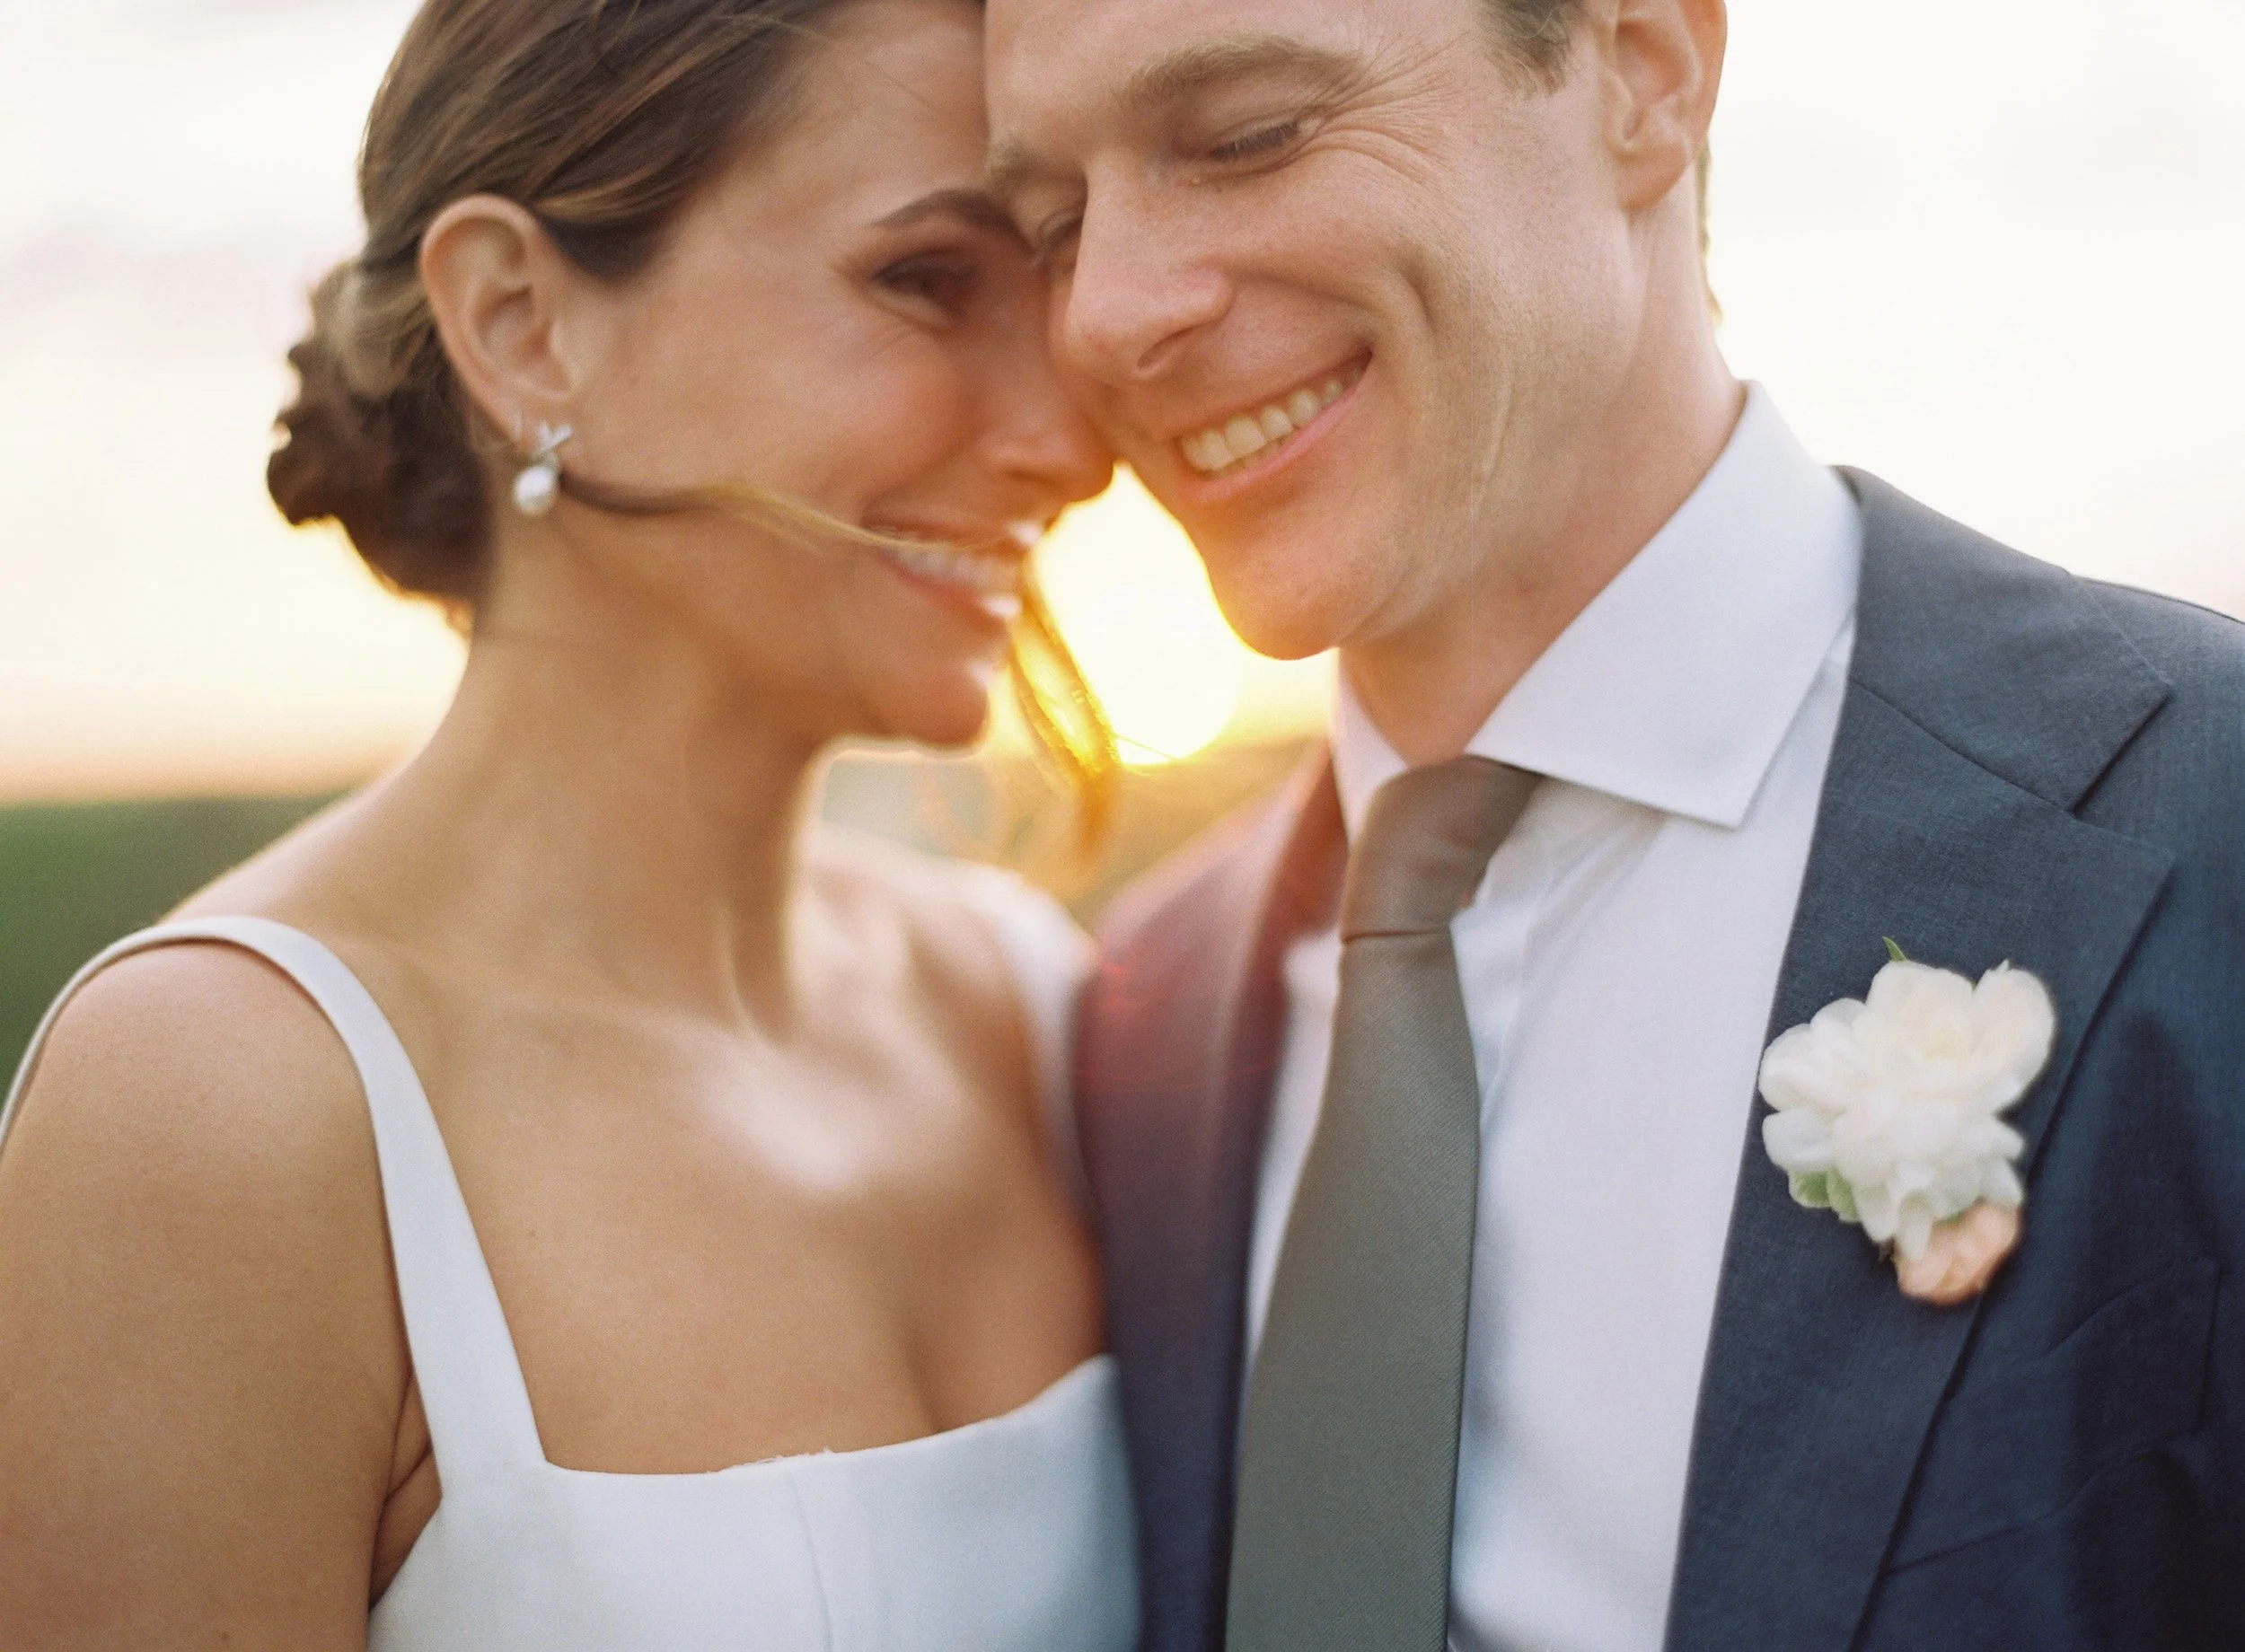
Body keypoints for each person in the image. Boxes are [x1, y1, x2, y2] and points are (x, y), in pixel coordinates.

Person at [981, 0, 2245, 1647]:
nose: (1113, 312)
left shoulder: (2199, 815)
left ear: (1645, 72)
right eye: (1053, 225)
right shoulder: (1139, 1029)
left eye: (1248, 136)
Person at [0, 1, 1141, 1647]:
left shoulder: (1023, 1006)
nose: (1069, 439)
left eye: (1054, 279)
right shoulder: (222, 1113)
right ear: (523, 323)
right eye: (929, 282)